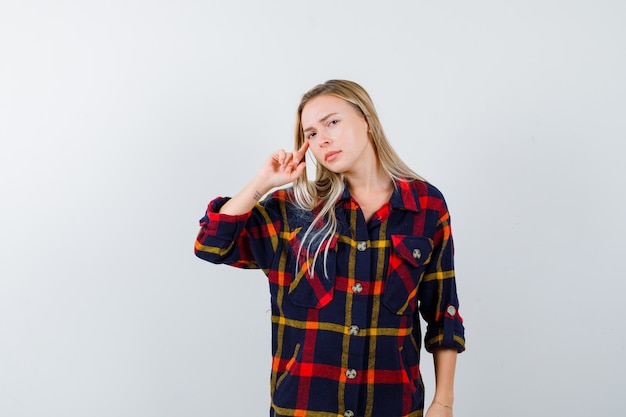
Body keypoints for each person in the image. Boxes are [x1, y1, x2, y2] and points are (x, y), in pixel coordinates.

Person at [194, 79, 465, 417]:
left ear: (366, 120)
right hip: (304, 408)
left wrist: (444, 401)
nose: (321, 139)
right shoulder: (292, 208)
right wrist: (262, 182)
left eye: (332, 122)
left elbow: (443, 312)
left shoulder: (426, 205)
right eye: (310, 133)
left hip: (393, 406)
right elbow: (211, 245)